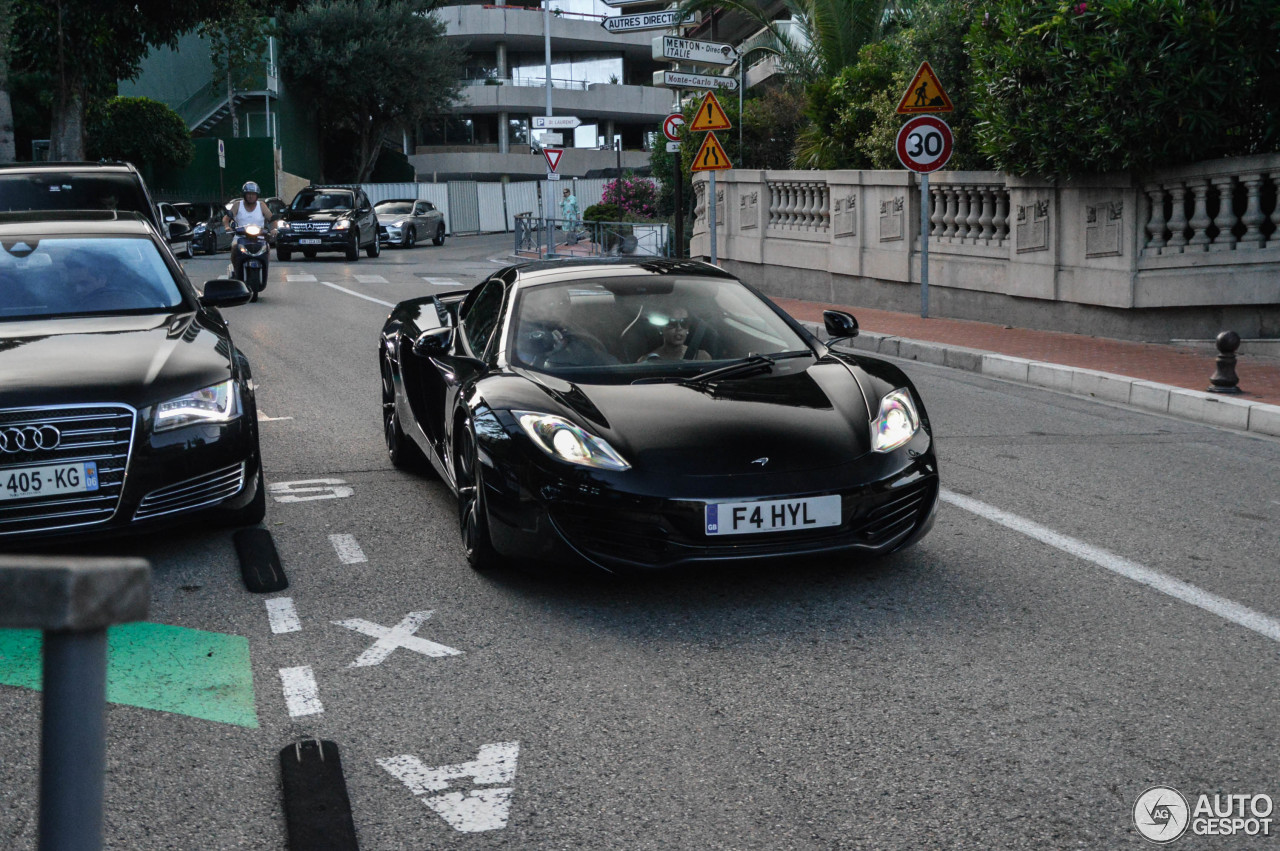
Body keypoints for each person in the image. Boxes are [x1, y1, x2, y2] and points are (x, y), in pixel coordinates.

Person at [515, 286, 616, 368]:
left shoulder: (571, 327)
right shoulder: (519, 333)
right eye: (550, 304)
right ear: (535, 306)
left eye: (562, 303)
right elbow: (526, 371)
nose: (558, 308)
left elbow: (601, 359)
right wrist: (545, 352)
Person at [222, 181, 274, 282]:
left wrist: (274, 229)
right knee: (234, 247)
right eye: (248, 194)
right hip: (241, 237)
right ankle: (235, 268)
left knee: (267, 248)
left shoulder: (262, 205)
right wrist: (227, 227)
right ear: (244, 195)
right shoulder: (238, 205)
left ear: (257, 195)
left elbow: (272, 219)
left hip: (259, 237)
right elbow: (226, 218)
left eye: (253, 194)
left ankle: (264, 267)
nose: (251, 196)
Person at [638, 308, 711, 362]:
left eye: (684, 323)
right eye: (672, 323)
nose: (679, 328)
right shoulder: (646, 361)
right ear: (660, 328)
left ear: (688, 329)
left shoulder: (701, 357)